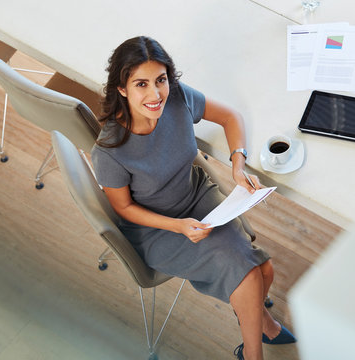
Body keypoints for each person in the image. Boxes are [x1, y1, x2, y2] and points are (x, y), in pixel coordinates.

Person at [91, 36, 296, 360]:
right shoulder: (110, 150)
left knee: (263, 271)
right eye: (141, 84)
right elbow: (124, 208)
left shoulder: (177, 99)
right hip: (156, 229)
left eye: (160, 80)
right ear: (121, 88)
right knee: (253, 274)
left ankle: (260, 322)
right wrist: (178, 226)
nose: (155, 94)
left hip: (195, 194)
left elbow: (231, 117)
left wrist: (238, 166)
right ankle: (253, 353)